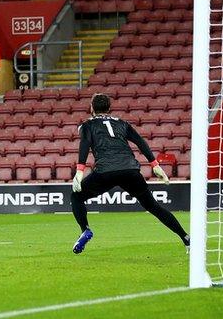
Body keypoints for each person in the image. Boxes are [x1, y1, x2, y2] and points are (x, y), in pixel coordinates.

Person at [70, 93, 190, 254]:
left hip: (105, 171)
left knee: (76, 197)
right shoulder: (122, 123)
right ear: (109, 108)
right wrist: (155, 165)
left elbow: (85, 144)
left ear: (92, 108)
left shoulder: (87, 126)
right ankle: (186, 238)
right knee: (153, 206)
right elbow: (140, 142)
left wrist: (79, 171)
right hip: (130, 170)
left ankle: (85, 229)